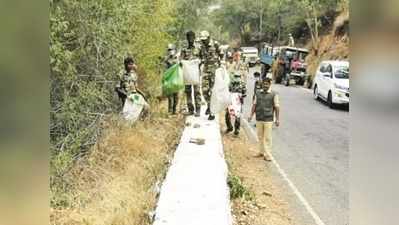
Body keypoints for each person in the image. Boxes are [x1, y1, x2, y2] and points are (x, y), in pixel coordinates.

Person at [248, 77, 280, 161]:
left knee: (267, 138)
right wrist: (251, 116)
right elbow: (254, 105)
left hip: (268, 119)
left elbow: (277, 107)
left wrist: (277, 119)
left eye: (267, 84)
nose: (265, 85)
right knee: (260, 136)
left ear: (270, 84)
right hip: (259, 118)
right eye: (264, 84)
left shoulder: (274, 94)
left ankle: (267, 155)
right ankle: (261, 152)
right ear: (262, 84)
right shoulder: (258, 93)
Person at [199, 30, 220, 120]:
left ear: (209, 37)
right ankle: (209, 105)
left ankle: (212, 112)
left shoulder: (215, 44)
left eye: (205, 39)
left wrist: (221, 66)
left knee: (213, 91)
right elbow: (200, 57)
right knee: (204, 90)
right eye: (202, 40)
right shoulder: (201, 46)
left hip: (214, 71)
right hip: (206, 70)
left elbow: (222, 55)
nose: (204, 41)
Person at [181, 30, 201, 117]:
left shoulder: (198, 49)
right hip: (187, 75)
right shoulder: (184, 49)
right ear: (187, 38)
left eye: (192, 37)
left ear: (194, 38)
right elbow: (181, 60)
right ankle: (190, 109)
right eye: (189, 38)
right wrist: (183, 63)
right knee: (188, 92)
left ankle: (198, 110)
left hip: (196, 74)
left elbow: (203, 58)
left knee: (197, 91)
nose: (190, 39)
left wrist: (198, 62)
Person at [164, 43, 179, 115]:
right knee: (170, 96)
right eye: (169, 50)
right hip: (169, 79)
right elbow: (165, 70)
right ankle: (170, 110)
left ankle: (174, 110)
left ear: (174, 50)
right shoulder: (166, 59)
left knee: (176, 95)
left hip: (176, 78)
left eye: (171, 49)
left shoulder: (178, 58)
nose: (170, 51)